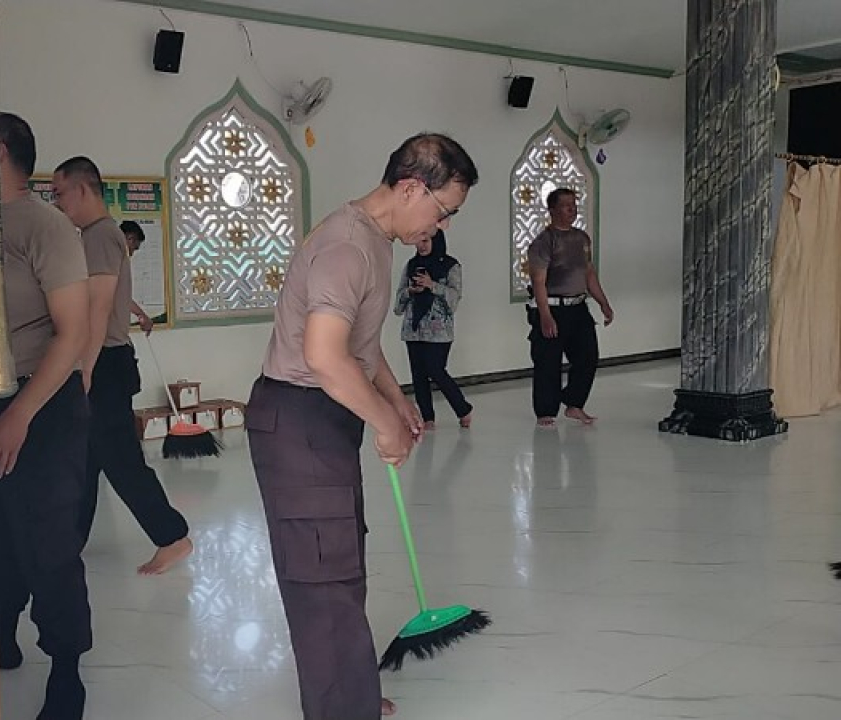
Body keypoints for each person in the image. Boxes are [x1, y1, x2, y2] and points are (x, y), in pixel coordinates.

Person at [246, 133, 478, 719]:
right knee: (320, 579)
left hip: (323, 414)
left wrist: (395, 401)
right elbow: (325, 357)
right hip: (299, 415)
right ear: (410, 187)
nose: (439, 226)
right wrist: (384, 426)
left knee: (340, 564)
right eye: (443, 210)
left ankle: (351, 697)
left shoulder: (376, 242)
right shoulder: (347, 246)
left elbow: (362, 348)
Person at [0, 113, 93, 720]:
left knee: (50, 543)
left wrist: (20, 415)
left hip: (42, 405)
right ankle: (1, 631)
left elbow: (74, 332)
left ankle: (67, 670)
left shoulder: (46, 226)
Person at [52, 156, 193, 576]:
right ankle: (68, 541)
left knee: (121, 460)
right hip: (105, 359)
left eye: (60, 193)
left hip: (104, 363)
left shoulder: (99, 236)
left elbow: (96, 310)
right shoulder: (100, 235)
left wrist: (85, 369)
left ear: (82, 190)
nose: (58, 202)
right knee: (86, 457)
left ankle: (172, 536)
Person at [526, 188, 614, 427]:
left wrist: (603, 303)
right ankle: (545, 411)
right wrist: (545, 315)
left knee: (588, 356)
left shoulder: (582, 239)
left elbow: (589, 274)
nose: (572, 209)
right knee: (548, 361)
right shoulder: (544, 242)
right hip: (551, 307)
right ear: (552, 210)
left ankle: (574, 404)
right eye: (566, 205)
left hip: (578, 307)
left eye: (574, 205)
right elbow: (538, 282)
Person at [393, 229, 473, 429]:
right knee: (418, 374)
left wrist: (432, 285)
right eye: (418, 241)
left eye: (426, 241)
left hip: (439, 331)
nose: (421, 246)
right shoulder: (411, 266)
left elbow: (454, 300)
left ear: (436, 241)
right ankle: (428, 417)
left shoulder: (450, 266)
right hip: (414, 329)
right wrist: (411, 291)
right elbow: (398, 304)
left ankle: (463, 409)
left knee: (436, 370)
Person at [119, 220, 159, 334]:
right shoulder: (116, 262)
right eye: (133, 248)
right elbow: (121, 296)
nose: (132, 254)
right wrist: (141, 315)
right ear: (129, 239)